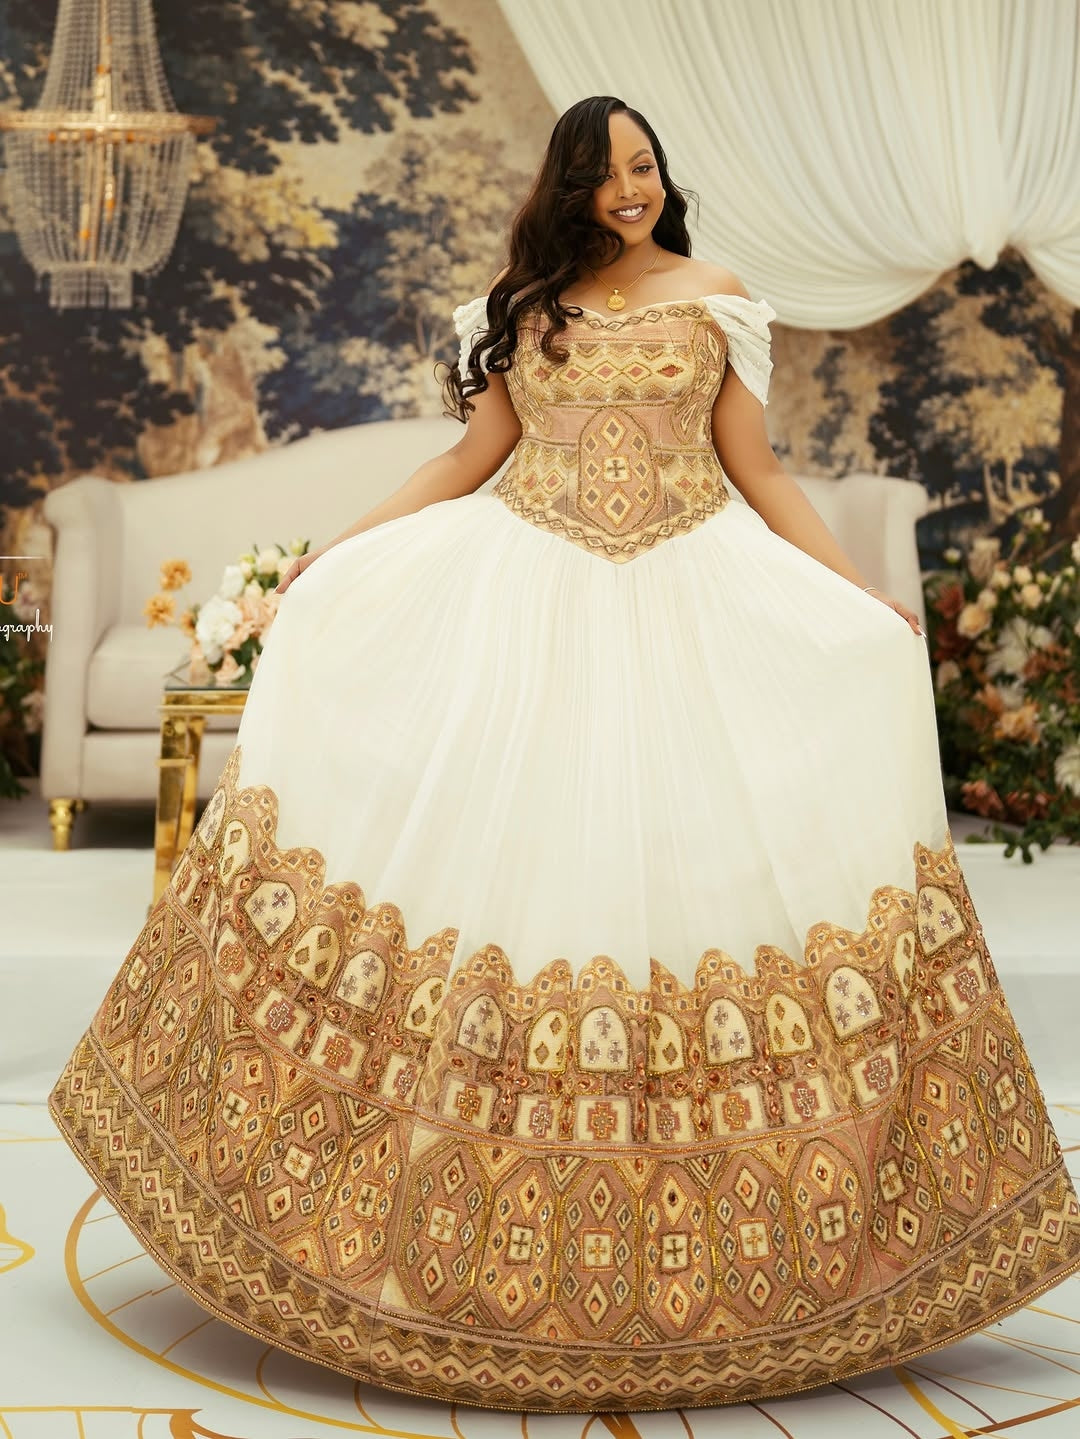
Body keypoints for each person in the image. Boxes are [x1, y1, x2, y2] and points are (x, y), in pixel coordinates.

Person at [50, 96, 1079, 1414]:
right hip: (523, 604)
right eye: (604, 176)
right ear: (570, 189)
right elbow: (475, 457)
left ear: (663, 176)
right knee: (518, 884)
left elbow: (756, 471)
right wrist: (336, 555)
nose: (629, 192)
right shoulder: (521, 304)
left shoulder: (719, 296)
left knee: (678, 886)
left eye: (644, 167)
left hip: (692, 600)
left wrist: (859, 593)